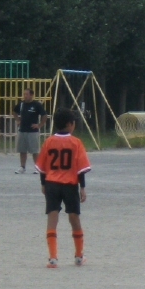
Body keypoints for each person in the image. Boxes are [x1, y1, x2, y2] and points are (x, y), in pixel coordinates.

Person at [35, 109, 91, 268]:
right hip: (70, 184)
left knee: (52, 218)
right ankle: (78, 256)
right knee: (74, 218)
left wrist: (43, 184)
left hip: (51, 183)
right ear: (69, 124)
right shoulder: (76, 142)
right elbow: (80, 169)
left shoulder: (48, 141)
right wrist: (82, 187)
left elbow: (43, 167)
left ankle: (52, 258)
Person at [13, 88, 48, 175]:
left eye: (27, 94)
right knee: (22, 150)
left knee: (34, 150)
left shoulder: (36, 104)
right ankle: (22, 167)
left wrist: (39, 125)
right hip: (22, 130)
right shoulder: (21, 104)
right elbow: (14, 111)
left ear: (31, 95)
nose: (25, 96)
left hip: (33, 131)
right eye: (24, 94)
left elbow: (44, 115)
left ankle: (37, 167)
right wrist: (17, 120)